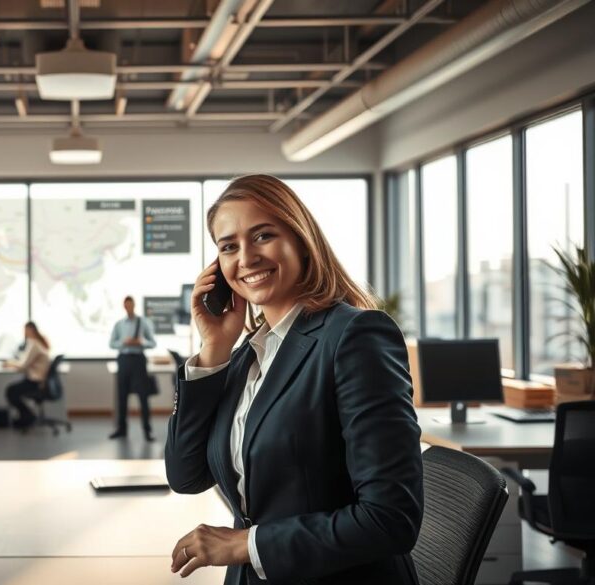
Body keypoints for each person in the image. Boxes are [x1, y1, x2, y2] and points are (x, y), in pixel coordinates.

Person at [165, 175, 423, 584]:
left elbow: (390, 518)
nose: (245, 258)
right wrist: (214, 349)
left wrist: (243, 545)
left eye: (263, 236)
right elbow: (186, 475)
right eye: (228, 246)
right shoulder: (249, 354)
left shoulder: (354, 336)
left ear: (301, 241)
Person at [108, 296, 157, 441]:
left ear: (134, 305)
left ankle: (147, 430)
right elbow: (112, 344)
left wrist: (140, 342)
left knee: (143, 396)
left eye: (131, 305)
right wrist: (124, 343)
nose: (129, 307)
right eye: (126, 305)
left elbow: (152, 343)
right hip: (123, 359)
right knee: (121, 396)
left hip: (138, 360)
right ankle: (121, 429)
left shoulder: (143, 323)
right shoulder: (119, 324)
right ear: (124, 306)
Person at [3, 322, 52, 429]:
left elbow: (23, 365)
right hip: (38, 379)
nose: (24, 333)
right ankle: (26, 416)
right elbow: (25, 362)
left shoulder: (34, 344)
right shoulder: (38, 342)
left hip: (35, 381)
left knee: (11, 391)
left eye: (25, 330)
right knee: (13, 390)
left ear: (30, 330)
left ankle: (28, 416)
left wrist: (9, 363)